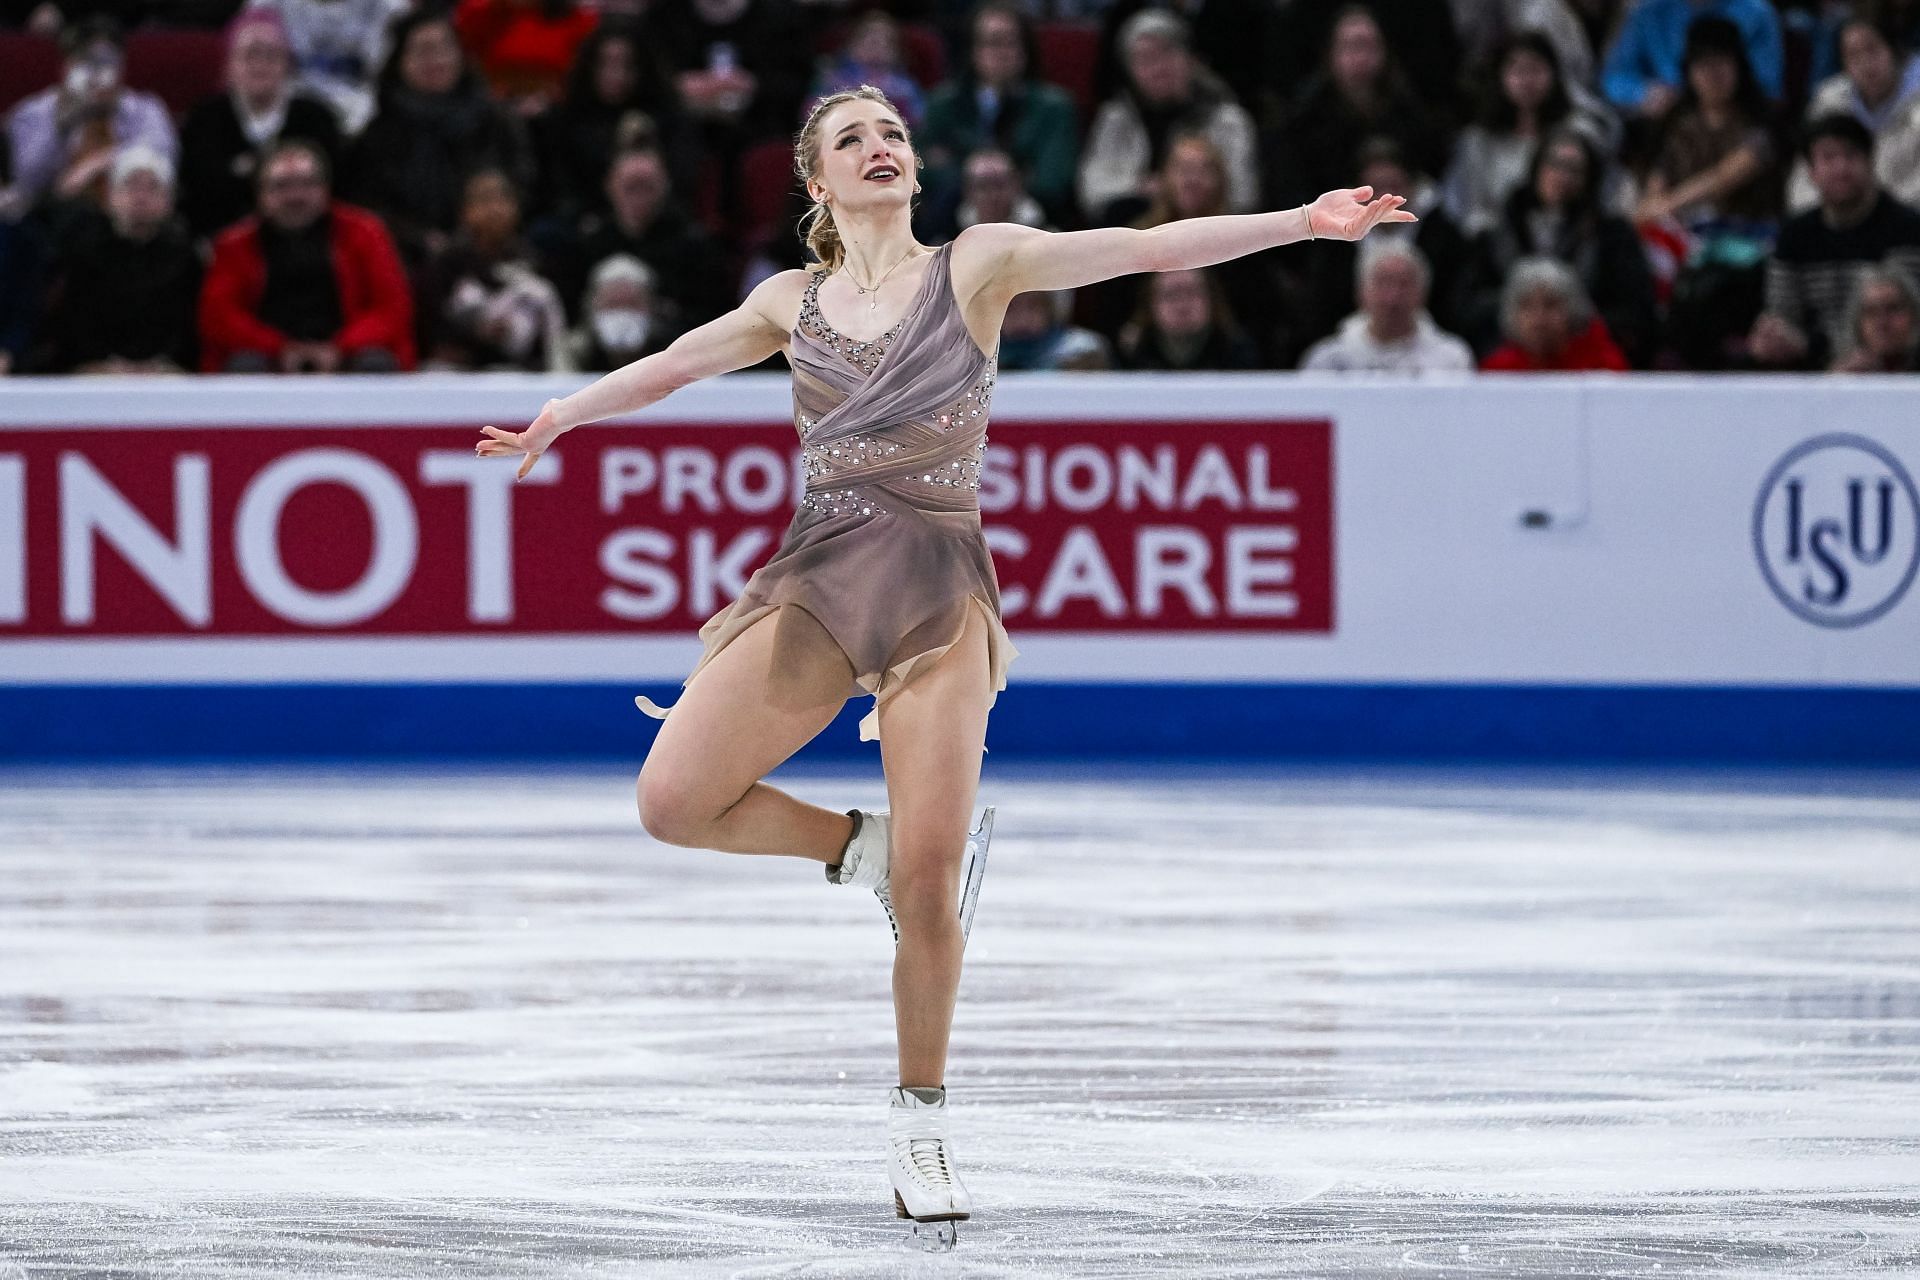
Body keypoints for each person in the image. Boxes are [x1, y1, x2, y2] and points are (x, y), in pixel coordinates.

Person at [474, 84, 1411, 1239]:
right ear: (817, 182)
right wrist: (563, 414)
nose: (882, 150)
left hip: (936, 594)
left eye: (896, 137)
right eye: (853, 140)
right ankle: (849, 847)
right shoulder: (790, 300)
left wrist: (1301, 225)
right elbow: (674, 361)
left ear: (916, 170)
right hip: (818, 579)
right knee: (672, 797)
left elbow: (1145, 245)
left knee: (931, 879)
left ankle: (920, 1113)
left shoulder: (980, 262)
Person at [199, 138, 414, 371]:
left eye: (307, 184)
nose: (295, 196)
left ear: (326, 188)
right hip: (267, 356)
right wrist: (279, 348)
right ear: (260, 193)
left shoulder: (366, 233)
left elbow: (392, 308)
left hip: (348, 353)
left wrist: (340, 348)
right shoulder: (233, 245)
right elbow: (219, 316)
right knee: (244, 367)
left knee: (375, 363)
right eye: (281, 186)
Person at [346, 9, 534, 266]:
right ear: (400, 61)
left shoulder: (496, 121)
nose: (435, 60)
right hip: (409, 256)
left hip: (493, 246)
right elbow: (369, 208)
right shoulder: (379, 135)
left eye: (444, 48)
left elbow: (521, 184)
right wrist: (421, 238)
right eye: (423, 50)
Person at [1748, 113, 1920, 369]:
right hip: (1814, 362)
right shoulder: (1794, 235)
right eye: (1828, 158)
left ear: (1870, 162)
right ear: (1811, 172)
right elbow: (1784, 312)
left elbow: (1901, 319)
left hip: (1890, 363)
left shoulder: (1908, 229)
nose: (1840, 168)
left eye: (1850, 155)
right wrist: (1776, 334)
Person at [1077, 8, 1257, 226]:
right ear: (1129, 69)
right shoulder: (1116, 119)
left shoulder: (1227, 119)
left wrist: (1187, 193)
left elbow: (1244, 196)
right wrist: (1147, 188)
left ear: (1190, 58)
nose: (1158, 67)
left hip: (1209, 233)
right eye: (1144, 58)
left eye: (1166, 52)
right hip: (1132, 231)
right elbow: (1091, 190)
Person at [178, 8, 344, 240]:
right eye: (250, 54)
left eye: (271, 55)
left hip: (308, 240)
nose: (261, 64)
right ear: (230, 64)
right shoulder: (205, 118)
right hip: (220, 238)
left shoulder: (316, 118)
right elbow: (198, 190)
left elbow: (332, 189)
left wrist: (243, 171)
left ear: (288, 63)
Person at [35, 144, 201, 373]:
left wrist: (161, 362)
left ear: (168, 200)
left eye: (152, 188)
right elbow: (76, 321)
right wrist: (106, 362)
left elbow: (189, 325)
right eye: (131, 185)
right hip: (95, 368)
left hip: (165, 370)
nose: (141, 197)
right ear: (111, 195)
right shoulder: (85, 251)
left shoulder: (185, 257)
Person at [917, 1, 1079, 229]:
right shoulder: (943, 103)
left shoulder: (1054, 107)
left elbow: (1052, 180)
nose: (1000, 53)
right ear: (973, 50)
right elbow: (925, 172)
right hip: (952, 222)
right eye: (991, 42)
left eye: (1009, 42)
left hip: (1033, 222)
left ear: (1025, 49)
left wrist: (969, 168)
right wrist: (1007, 173)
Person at [1, 15, 176, 218]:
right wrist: (62, 126)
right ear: (66, 67)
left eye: (107, 62)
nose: (97, 75)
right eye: (86, 62)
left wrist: (95, 164)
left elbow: (163, 159)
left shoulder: (145, 109)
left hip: (125, 220)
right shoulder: (32, 113)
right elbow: (26, 184)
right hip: (52, 221)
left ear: (121, 67)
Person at [420, 167, 570, 371]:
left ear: (516, 209)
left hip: (520, 368)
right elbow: (431, 320)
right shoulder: (447, 262)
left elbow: (549, 324)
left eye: (502, 199)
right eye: (484, 200)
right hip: (461, 365)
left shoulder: (533, 261)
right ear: (466, 211)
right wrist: (476, 332)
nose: (494, 209)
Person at [1784, 16, 1920, 214]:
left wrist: (1878, 217)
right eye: (1853, 55)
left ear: (1894, 52)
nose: (1865, 64)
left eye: (1872, 50)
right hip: (1841, 223)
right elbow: (1804, 179)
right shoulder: (1829, 102)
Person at [1301, 241, 1476, 374]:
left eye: (1404, 284)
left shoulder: (1451, 359)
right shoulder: (1328, 361)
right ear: (1361, 292)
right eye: (1383, 283)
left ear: (1423, 293)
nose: (1393, 297)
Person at [1601, 0, 1783, 120]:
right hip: (1666, 122)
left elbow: (1768, 90)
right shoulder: (1648, 12)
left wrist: (1710, 96)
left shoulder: (1757, 14)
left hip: (1734, 122)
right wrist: (1644, 93)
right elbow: (1613, 78)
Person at [1481, 254, 1630, 369]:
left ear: (1572, 308)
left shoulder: (1602, 365)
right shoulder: (1497, 371)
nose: (1539, 319)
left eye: (1550, 305)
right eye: (1526, 306)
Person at [1115, 265, 1260, 369]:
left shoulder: (1237, 350)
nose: (1182, 305)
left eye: (1191, 292)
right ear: (1149, 303)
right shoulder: (1134, 350)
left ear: (1212, 298)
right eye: (1171, 294)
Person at [1831, 263, 1920, 372]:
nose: (1882, 322)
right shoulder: (1846, 376)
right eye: (1871, 312)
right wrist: (1836, 384)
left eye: (1893, 308)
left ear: (1915, 315)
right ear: (1857, 324)